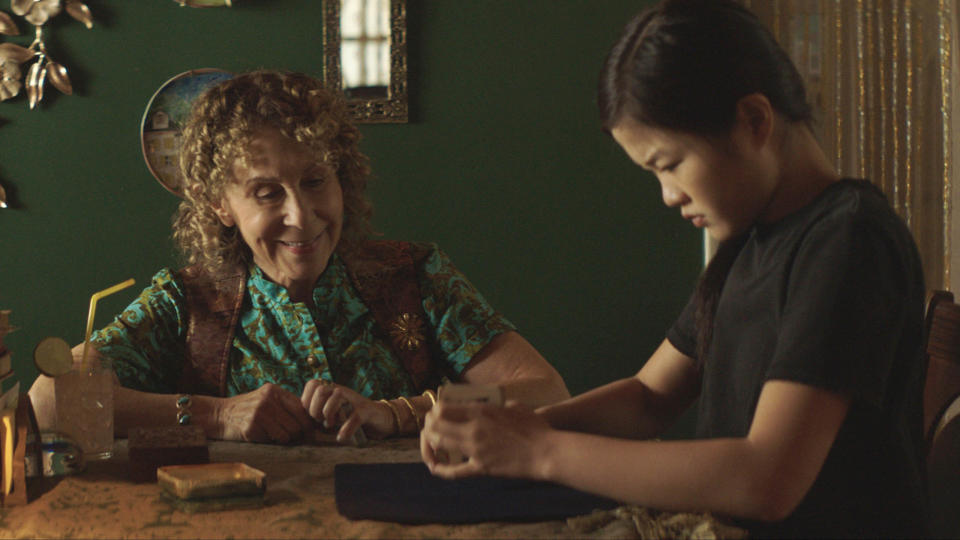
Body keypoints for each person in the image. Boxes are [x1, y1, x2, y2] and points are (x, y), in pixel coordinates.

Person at [420, 1, 928, 537]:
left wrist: (539, 450)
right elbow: (649, 397)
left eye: (670, 164)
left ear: (754, 120)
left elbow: (767, 478)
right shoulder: (749, 239)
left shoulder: (849, 238)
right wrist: (512, 429)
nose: (667, 195)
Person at [29, 70, 569, 445]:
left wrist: (395, 414)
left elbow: (546, 392)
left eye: (316, 181)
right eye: (267, 193)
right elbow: (51, 400)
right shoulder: (182, 302)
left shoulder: (416, 274)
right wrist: (219, 415)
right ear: (220, 204)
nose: (303, 215)